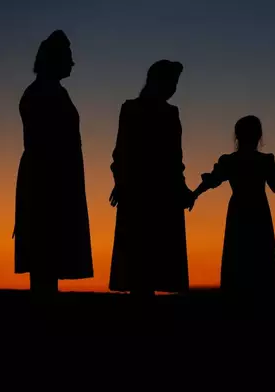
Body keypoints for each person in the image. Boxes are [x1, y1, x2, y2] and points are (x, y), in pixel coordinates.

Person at [13, 30, 94, 299]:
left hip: (56, 181)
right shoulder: (40, 93)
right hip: (47, 184)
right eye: (68, 57)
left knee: (50, 256)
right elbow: (44, 146)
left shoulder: (52, 91)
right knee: (44, 255)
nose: (72, 63)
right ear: (55, 60)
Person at [108, 59, 194, 298]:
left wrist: (182, 187)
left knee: (153, 258)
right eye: (172, 82)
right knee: (141, 258)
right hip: (142, 192)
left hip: (159, 193)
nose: (174, 88)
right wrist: (121, 182)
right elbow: (122, 151)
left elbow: (175, 158)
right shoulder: (132, 109)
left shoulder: (168, 113)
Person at [191, 116, 275, 298]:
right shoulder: (265, 161)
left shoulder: (229, 161)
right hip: (259, 210)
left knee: (238, 254)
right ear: (258, 136)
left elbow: (212, 180)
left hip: (238, 211)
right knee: (260, 254)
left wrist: (194, 194)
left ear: (237, 136)